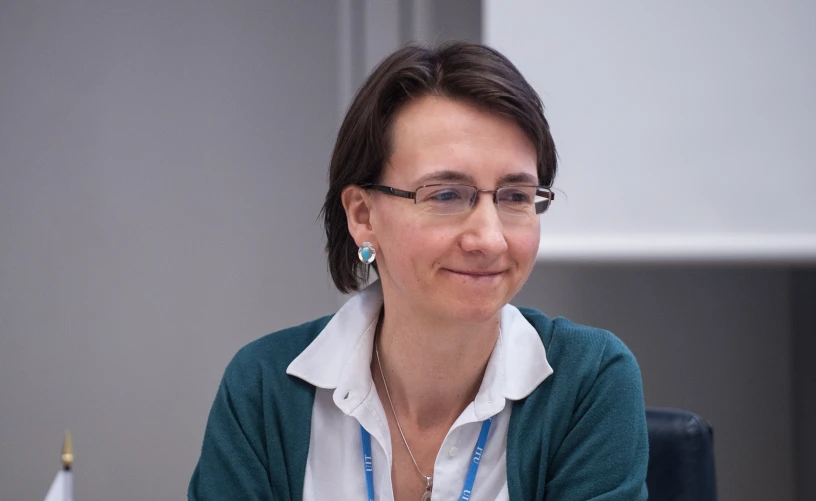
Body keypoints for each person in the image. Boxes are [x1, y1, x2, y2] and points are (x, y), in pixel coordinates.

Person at [188, 41, 648, 501]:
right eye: (446, 195)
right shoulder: (264, 388)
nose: (489, 239)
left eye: (514, 197)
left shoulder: (589, 381)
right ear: (363, 216)